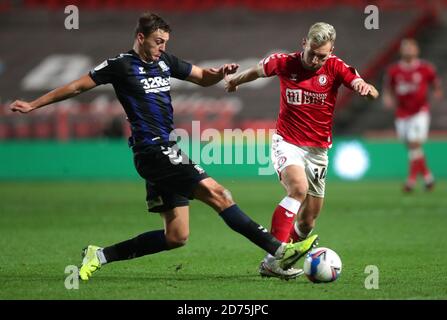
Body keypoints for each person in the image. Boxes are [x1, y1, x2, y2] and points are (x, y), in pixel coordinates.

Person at [9, 12, 319, 281]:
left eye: (166, 42)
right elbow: (76, 86)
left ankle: (99, 255)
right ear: (140, 37)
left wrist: (219, 73)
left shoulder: (165, 62)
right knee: (220, 194)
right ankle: (280, 251)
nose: (163, 47)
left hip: (162, 149)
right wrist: (34, 104)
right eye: (158, 41)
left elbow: (201, 77)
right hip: (152, 149)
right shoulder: (120, 65)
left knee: (176, 236)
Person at [225, 22, 379, 279]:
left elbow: (366, 87)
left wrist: (367, 90)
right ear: (304, 43)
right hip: (288, 142)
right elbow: (257, 71)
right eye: (313, 53)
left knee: (308, 221)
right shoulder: (284, 63)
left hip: (318, 151)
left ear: (331, 51)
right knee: (298, 189)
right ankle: (275, 257)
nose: (317, 60)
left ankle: (275, 263)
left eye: (323, 55)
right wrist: (234, 81)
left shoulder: (336, 67)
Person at [382, 38, 443, 192]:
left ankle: (411, 181)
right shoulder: (394, 70)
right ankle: (428, 177)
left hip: (419, 111)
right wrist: (387, 98)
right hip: (402, 113)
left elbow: (436, 84)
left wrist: (436, 92)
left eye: (411, 47)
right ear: (401, 51)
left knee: (414, 142)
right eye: (406, 47)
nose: (409, 50)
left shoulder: (426, 68)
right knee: (412, 147)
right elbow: (388, 88)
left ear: (417, 50)